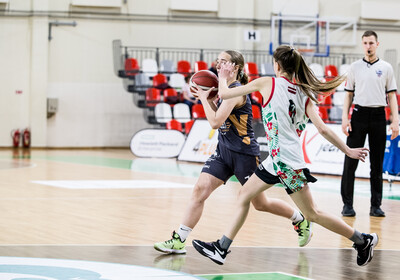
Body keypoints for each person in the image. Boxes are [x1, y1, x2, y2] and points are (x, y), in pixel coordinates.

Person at [192, 45, 378, 267]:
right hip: (276, 159)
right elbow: (324, 130)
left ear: (277, 65)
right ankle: (221, 248)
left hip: (287, 162)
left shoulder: (267, 83)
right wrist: (347, 150)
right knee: (244, 195)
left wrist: (223, 77)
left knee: (313, 214)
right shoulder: (304, 93)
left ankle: (362, 240)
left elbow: (224, 93)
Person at [154, 50, 313, 255]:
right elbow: (218, 115)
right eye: (217, 62)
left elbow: (215, 122)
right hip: (224, 151)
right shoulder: (225, 89)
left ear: (236, 68)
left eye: (224, 62)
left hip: (244, 154)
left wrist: (203, 97)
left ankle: (299, 219)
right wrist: (209, 98)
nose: (218, 65)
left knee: (260, 204)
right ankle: (179, 240)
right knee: (199, 190)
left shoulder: (236, 90)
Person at [340, 30, 399, 217]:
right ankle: (347, 205)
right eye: (365, 43)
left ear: (377, 44)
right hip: (358, 114)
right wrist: (344, 118)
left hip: (379, 116)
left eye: (371, 43)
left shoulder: (387, 68)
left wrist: (395, 120)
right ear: (362, 44)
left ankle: (376, 206)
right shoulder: (354, 67)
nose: (368, 46)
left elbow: (392, 95)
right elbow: (348, 94)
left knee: (377, 163)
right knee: (350, 161)